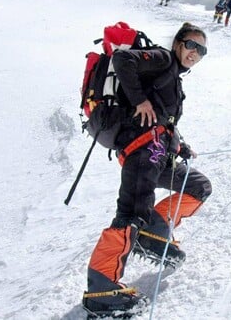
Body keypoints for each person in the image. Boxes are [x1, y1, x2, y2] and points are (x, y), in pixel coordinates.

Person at [83, 22, 212, 316]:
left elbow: (162, 120)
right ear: (179, 43)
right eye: (191, 45)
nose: (195, 53)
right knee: (131, 213)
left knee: (198, 187)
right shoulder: (163, 59)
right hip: (142, 151)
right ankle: (101, 288)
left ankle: (153, 231)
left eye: (201, 50)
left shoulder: (172, 80)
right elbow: (123, 59)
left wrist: (180, 145)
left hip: (158, 153)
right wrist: (140, 101)